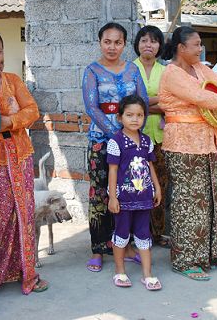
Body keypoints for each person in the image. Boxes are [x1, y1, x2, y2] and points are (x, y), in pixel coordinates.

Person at [158, 26, 217, 281]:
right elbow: (200, 96)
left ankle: (209, 254)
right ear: (181, 48)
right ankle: (185, 260)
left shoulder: (200, 68)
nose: (200, 48)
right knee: (187, 202)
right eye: (195, 44)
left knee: (210, 199)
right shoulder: (172, 73)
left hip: (206, 140)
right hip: (181, 142)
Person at [0, 31, 49, 295]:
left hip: (20, 153)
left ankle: (25, 272)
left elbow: (32, 110)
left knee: (23, 214)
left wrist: (9, 122)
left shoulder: (13, 80)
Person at [82, 22, 148, 272]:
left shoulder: (132, 70)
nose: (112, 47)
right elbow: (92, 107)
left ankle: (128, 245)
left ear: (124, 44)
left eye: (117, 42)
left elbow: (142, 103)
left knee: (129, 192)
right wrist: (116, 136)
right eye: (107, 41)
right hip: (102, 140)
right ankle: (99, 249)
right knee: (101, 193)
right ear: (100, 42)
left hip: (132, 141)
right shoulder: (92, 71)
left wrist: (131, 133)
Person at [107, 95, 162, 291]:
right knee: (121, 234)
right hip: (123, 199)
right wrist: (113, 197)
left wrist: (156, 187)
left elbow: (150, 165)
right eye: (129, 115)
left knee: (143, 234)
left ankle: (148, 274)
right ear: (120, 118)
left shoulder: (146, 141)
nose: (135, 119)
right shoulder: (116, 141)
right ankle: (119, 271)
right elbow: (113, 170)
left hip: (144, 197)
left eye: (139, 115)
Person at [132, 25, 170, 248]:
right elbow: (128, 103)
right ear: (137, 44)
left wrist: (144, 103)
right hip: (136, 137)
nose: (149, 44)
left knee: (160, 185)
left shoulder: (166, 71)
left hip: (161, 137)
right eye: (144, 40)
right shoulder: (129, 69)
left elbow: (170, 101)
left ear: (159, 46)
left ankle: (156, 232)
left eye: (154, 41)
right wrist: (155, 101)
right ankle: (137, 232)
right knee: (136, 184)